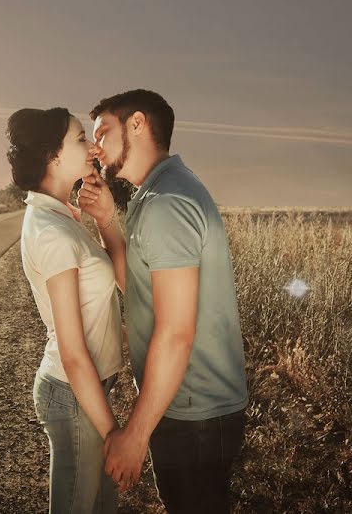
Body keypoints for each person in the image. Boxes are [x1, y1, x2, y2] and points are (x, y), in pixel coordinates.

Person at [77, 89, 249, 514]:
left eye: (103, 131)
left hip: (196, 415)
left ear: (137, 123)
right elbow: (134, 287)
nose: (95, 145)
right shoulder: (153, 194)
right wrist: (106, 222)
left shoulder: (166, 203)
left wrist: (134, 436)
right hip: (187, 406)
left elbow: (175, 333)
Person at [6, 107, 125, 514]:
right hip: (74, 395)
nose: (92, 146)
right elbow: (74, 353)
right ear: (53, 157)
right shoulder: (51, 231)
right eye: (79, 139)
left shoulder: (61, 214)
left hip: (89, 391)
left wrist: (104, 215)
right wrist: (113, 434)